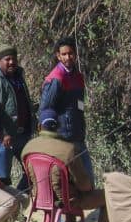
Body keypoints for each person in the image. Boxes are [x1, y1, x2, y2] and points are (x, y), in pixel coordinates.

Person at [21, 109, 110, 222]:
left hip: (39, 198)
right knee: (107, 196)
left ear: (39, 126)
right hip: (66, 202)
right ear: (58, 126)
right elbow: (84, 185)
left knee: (66, 188)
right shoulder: (68, 150)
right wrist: (88, 186)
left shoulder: (27, 148)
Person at [39, 37, 92, 188]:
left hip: (78, 134)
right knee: (68, 182)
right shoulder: (56, 78)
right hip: (63, 137)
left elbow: (79, 105)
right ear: (58, 56)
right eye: (64, 54)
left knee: (87, 178)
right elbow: (45, 109)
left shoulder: (77, 76)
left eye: (71, 53)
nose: (68, 57)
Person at [0, 46, 33, 190]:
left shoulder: (19, 76)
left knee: (32, 171)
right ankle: (3, 207)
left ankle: (18, 198)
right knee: (2, 178)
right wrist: (1, 132)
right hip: (3, 138)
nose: (12, 62)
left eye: (13, 58)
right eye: (7, 59)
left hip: (23, 134)